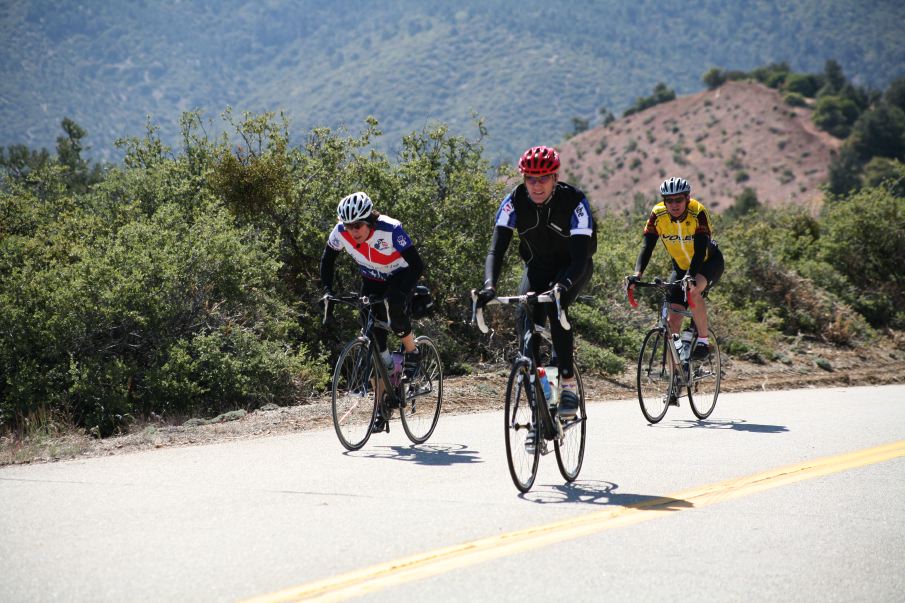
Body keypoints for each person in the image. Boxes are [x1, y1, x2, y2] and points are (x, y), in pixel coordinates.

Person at [475, 145, 596, 426]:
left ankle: (567, 384)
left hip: (573, 268)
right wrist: (489, 286)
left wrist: (563, 287)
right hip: (538, 269)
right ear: (523, 179)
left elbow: (581, 257)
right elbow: (496, 251)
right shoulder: (514, 201)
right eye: (530, 179)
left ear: (555, 178)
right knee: (525, 323)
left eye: (543, 179)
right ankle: (541, 411)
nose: (536, 185)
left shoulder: (574, 201)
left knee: (556, 308)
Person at [320, 191, 424, 431]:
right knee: (374, 343)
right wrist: (327, 290)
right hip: (372, 279)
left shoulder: (391, 229)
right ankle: (381, 406)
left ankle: (412, 351)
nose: (353, 231)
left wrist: (399, 292)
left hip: (400, 276)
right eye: (348, 225)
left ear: (370, 222)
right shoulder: (340, 233)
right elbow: (327, 261)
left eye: (357, 225)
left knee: (396, 309)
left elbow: (417, 264)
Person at [627, 177, 724, 362]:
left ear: (687, 198)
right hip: (680, 267)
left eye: (678, 199)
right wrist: (637, 274)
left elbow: (700, 250)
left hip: (708, 263)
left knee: (693, 290)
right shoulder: (658, 214)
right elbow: (647, 247)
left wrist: (690, 276)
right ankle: (676, 378)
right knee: (672, 325)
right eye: (669, 200)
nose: (674, 204)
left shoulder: (698, 212)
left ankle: (703, 341)